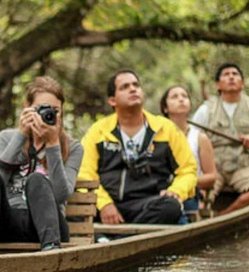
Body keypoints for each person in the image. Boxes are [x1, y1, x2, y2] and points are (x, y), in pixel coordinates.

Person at [0, 76, 83, 255]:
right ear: (26, 108)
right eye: (41, 109)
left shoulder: (73, 147)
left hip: (49, 226)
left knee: (36, 179)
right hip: (8, 223)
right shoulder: (6, 138)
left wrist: (53, 144)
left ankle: (51, 254)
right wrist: (21, 135)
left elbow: (60, 196)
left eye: (55, 110)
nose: (47, 115)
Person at [79, 70, 196, 225]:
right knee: (69, 209)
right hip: (110, 206)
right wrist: (104, 204)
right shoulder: (98, 131)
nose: (133, 89)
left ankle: (116, 240)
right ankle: (118, 237)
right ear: (112, 101)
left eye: (136, 85)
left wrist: (175, 191)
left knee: (170, 207)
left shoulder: (166, 128)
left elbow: (188, 170)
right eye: (125, 87)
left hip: (151, 204)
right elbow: (84, 174)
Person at [191, 63, 249, 215]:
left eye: (235, 74)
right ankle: (201, 212)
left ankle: (224, 215)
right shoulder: (206, 109)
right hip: (213, 168)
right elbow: (191, 139)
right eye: (226, 74)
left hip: (244, 168)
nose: (231, 77)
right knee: (194, 190)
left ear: (242, 83)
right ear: (218, 84)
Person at [159, 86, 217, 217]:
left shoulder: (199, 138)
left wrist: (185, 182)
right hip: (162, 191)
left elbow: (211, 176)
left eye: (184, 96)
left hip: (190, 192)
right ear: (165, 108)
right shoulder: (157, 135)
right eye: (175, 97)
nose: (181, 99)